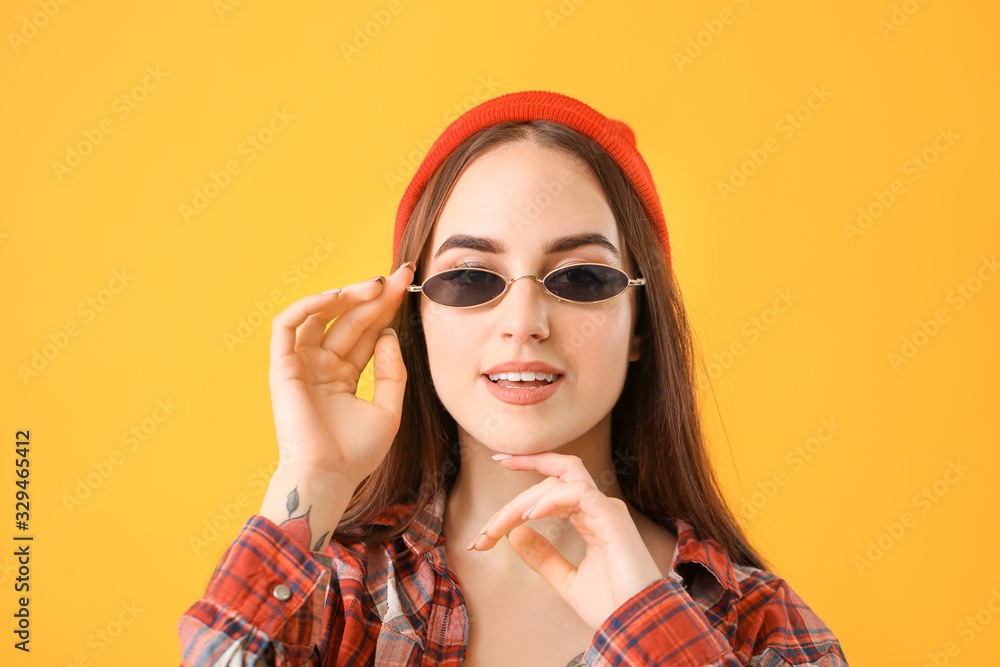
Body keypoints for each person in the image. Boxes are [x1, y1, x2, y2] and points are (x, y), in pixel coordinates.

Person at [177, 90, 848, 666]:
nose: (525, 321)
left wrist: (656, 632)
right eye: (471, 278)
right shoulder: (331, 594)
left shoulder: (758, 625)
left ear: (640, 324)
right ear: (415, 318)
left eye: (581, 277)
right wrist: (313, 481)